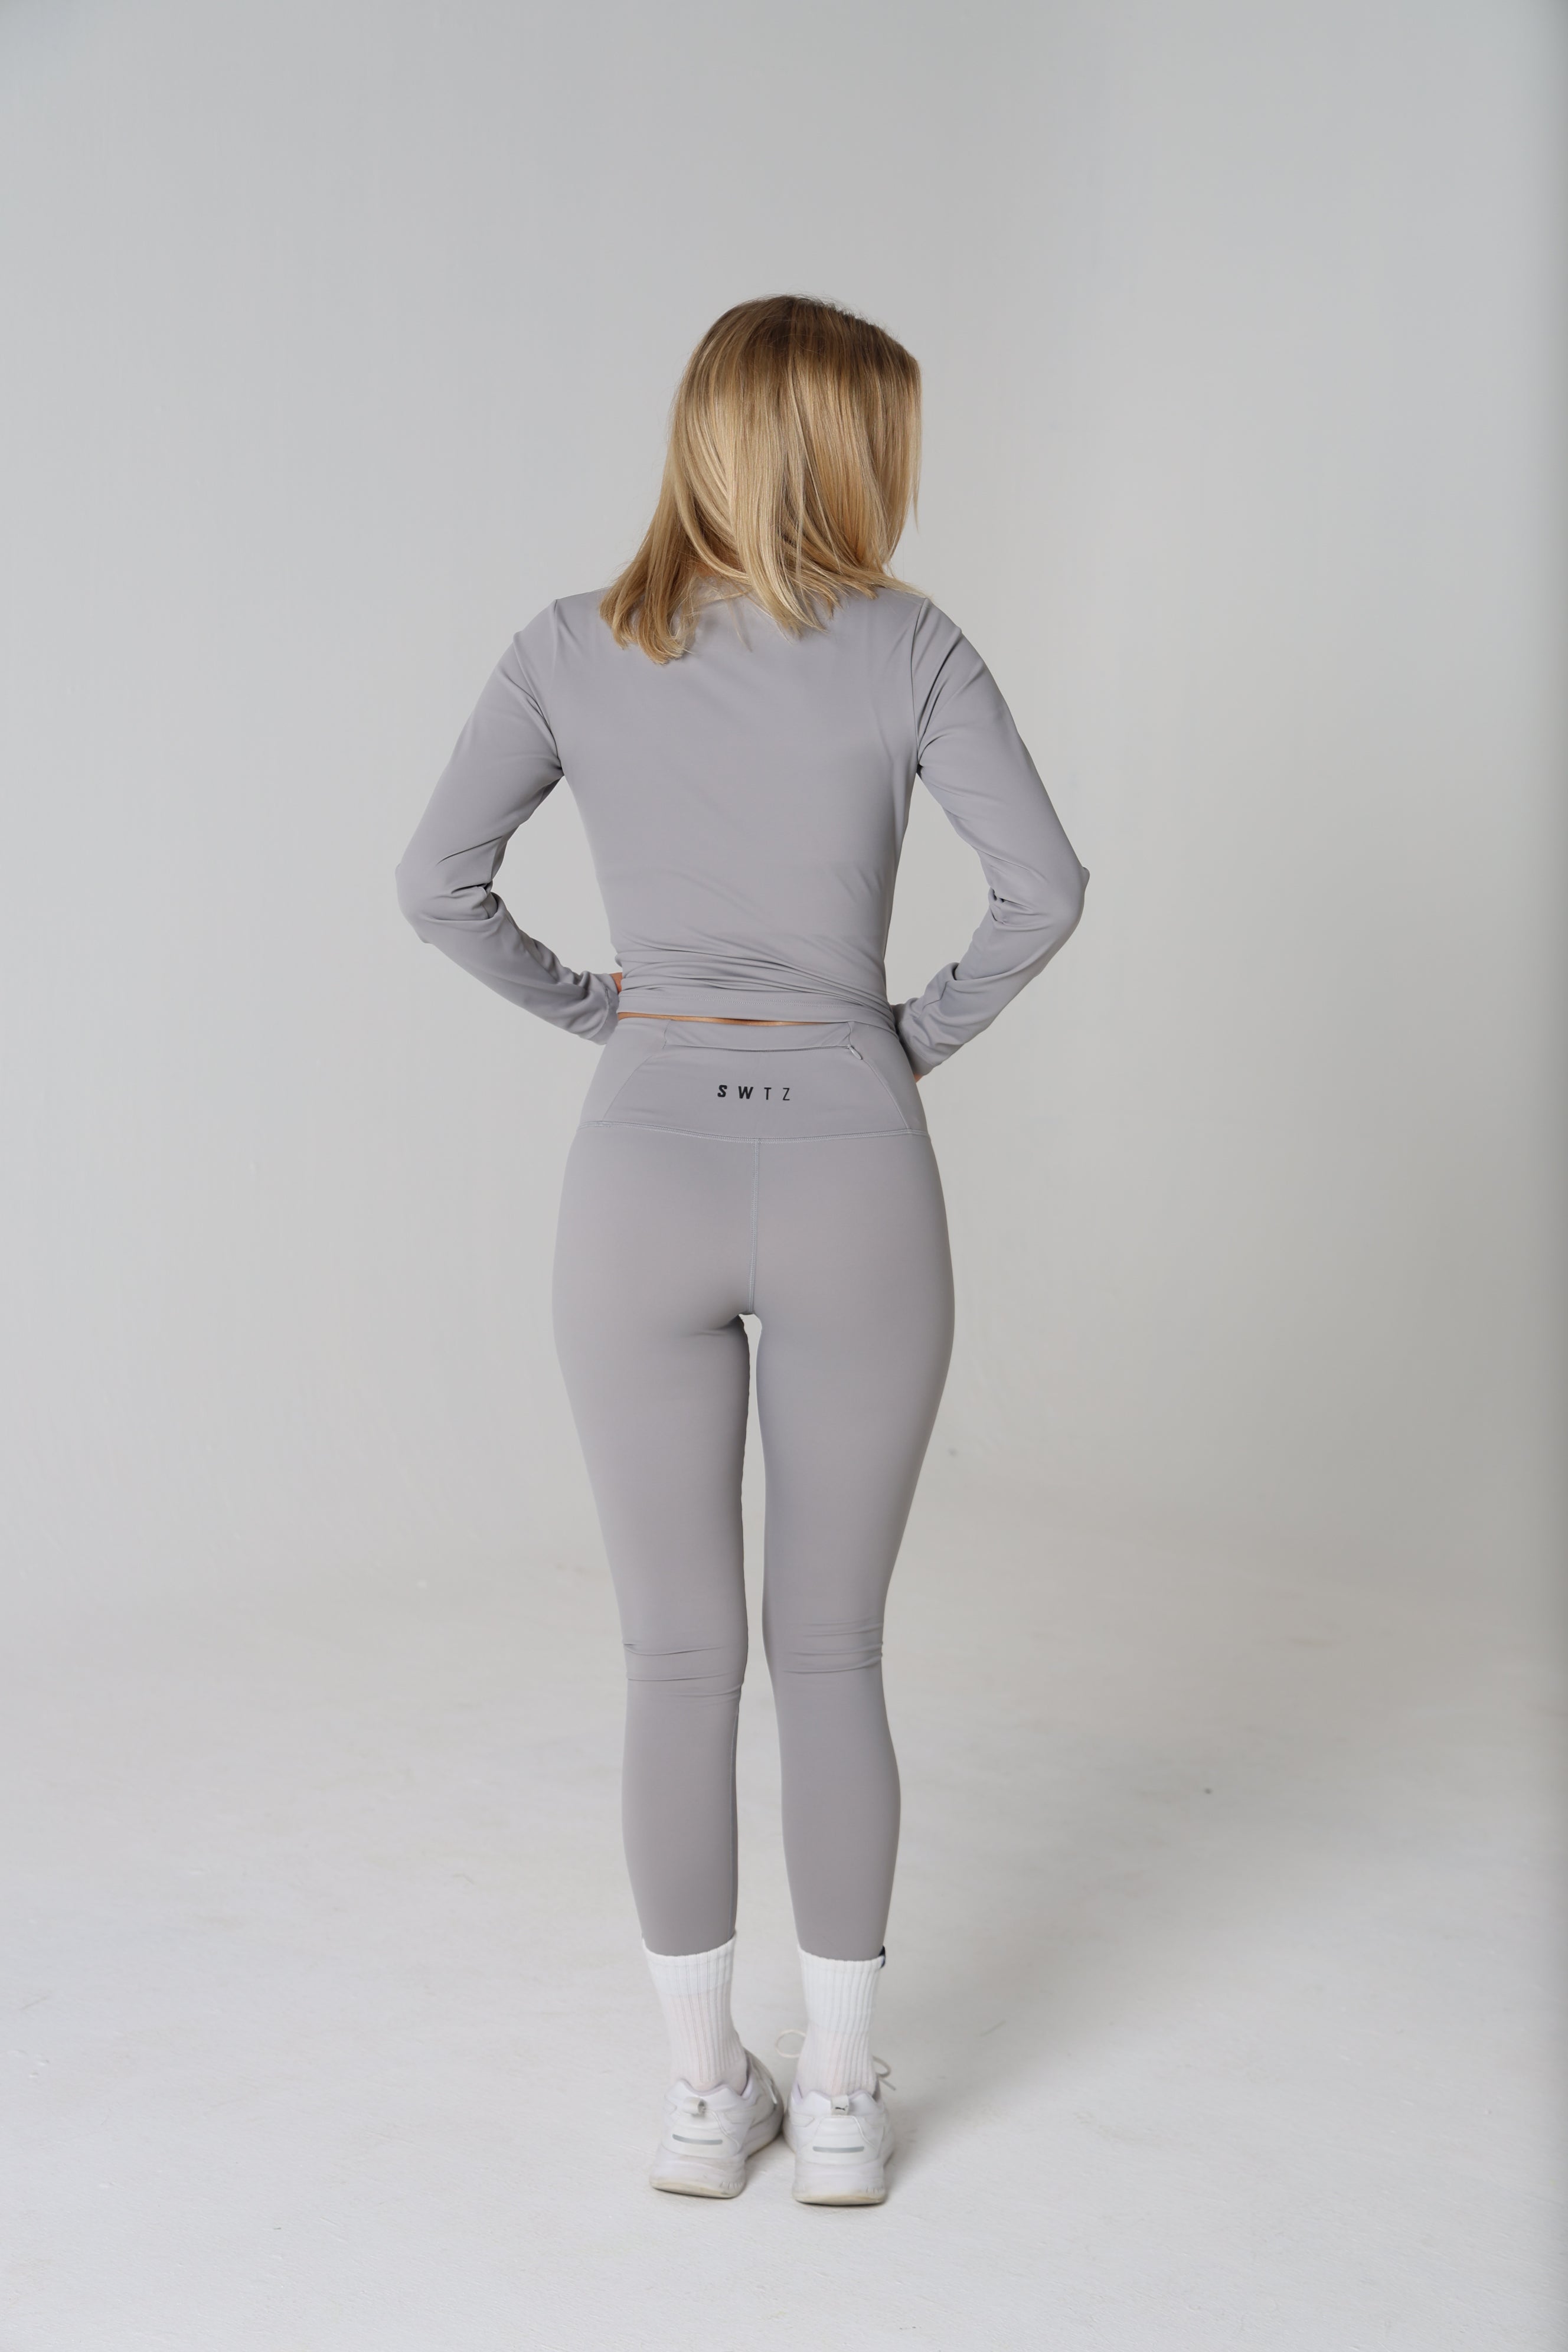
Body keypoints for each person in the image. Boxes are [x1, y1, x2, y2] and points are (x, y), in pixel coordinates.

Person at [394, 295, 1089, 2205]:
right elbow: (1044, 890)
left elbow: (435, 883)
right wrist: (900, 1041)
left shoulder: (570, 645)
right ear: (847, 447)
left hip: (644, 1169)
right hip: (856, 1159)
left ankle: (706, 2098)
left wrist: (598, 1013)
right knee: (833, 1646)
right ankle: (844, 2099)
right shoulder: (912, 644)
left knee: (673, 1655)